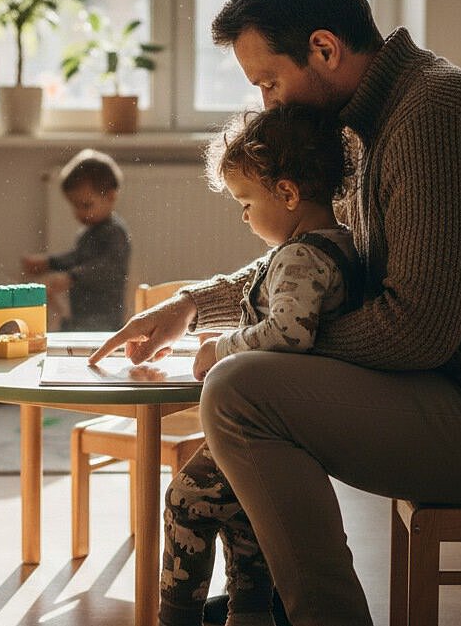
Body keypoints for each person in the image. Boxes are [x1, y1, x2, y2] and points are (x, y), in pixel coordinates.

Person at [90, 0, 461, 626]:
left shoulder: (437, 116)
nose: (267, 106)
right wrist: (193, 306)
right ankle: (272, 602)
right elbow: (320, 261)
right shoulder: (376, 124)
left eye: (270, 82)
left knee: (241, 391)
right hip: (460, 390)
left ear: (323, 49)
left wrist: (272, 342)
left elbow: (417, 330)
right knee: (247, 380)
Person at [161, 104, 363, 626]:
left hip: (274, 419)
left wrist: (219, 347)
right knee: (244, 506)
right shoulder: (340, 246)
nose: (245, 216)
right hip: (295, 419)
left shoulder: (300, 257)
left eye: (246, 202)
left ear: (289, 194)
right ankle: (249, 612)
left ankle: (175, 617)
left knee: (187, 501)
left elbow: (289, 333)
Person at [22, 148, 131, 331]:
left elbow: (106, 267)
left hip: (104, 316)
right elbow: (77, 257)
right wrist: (49, 263)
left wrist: (72, 277)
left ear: (111, 197)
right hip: (82, 312)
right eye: (74, 206)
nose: (79, 213)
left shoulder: (115, 232)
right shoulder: (89, 232)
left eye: (86, 205)